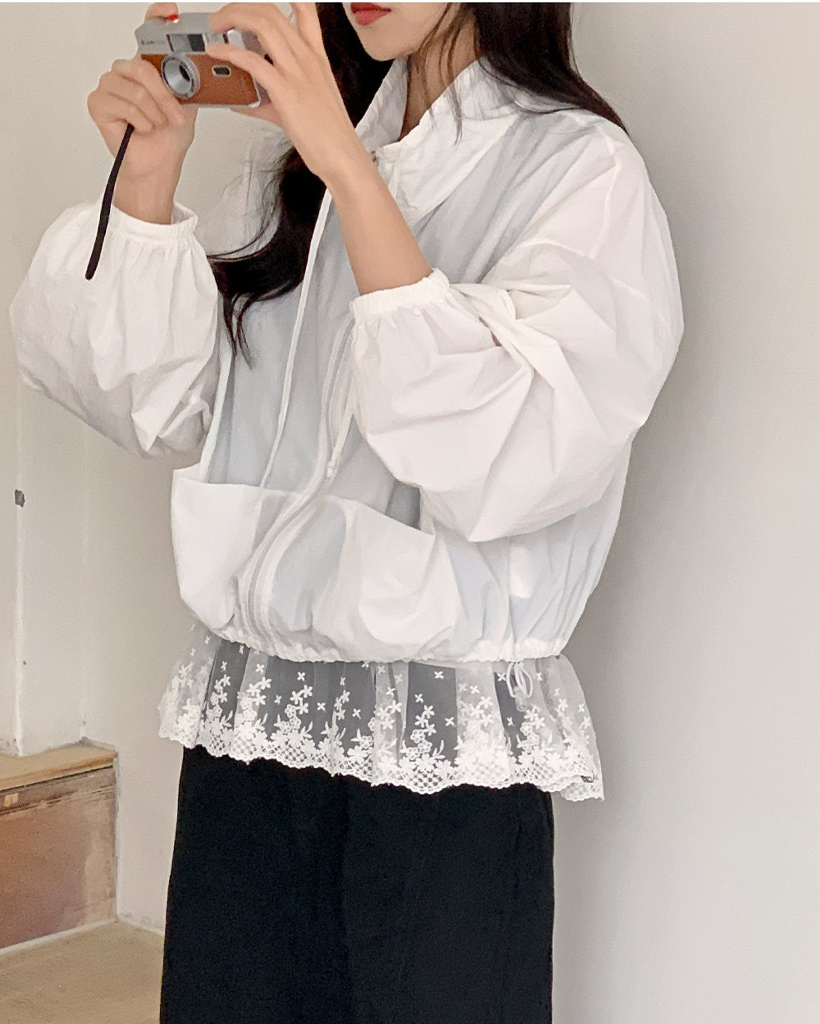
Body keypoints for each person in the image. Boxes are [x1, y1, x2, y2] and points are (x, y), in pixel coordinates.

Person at [9, 2, 685, 1021]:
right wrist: (146, 179)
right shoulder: (291, 176)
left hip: (441, 770)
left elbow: (505, 464)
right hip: (252, 737)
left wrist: (350, 171)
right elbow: (159, 407)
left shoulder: (579, 174)